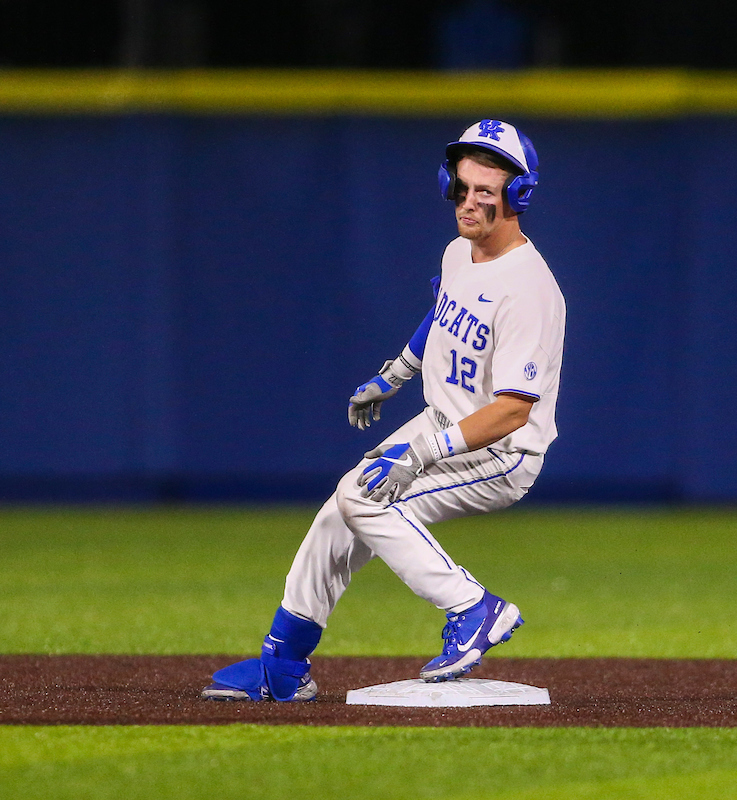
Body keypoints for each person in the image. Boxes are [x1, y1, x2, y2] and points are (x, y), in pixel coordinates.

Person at [202, 119, 565, 701]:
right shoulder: (460, 253)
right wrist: (393, 375)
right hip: (444, 424)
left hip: (501, 452)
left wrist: (418, 453)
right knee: (340, 507)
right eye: (461, 186)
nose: (468, 201)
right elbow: (441, 315)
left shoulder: (530, 289)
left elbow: (512, 412)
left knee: (363, 498)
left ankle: (474, 607)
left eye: (484, 191)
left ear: (517, 195)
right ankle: (283, 664)